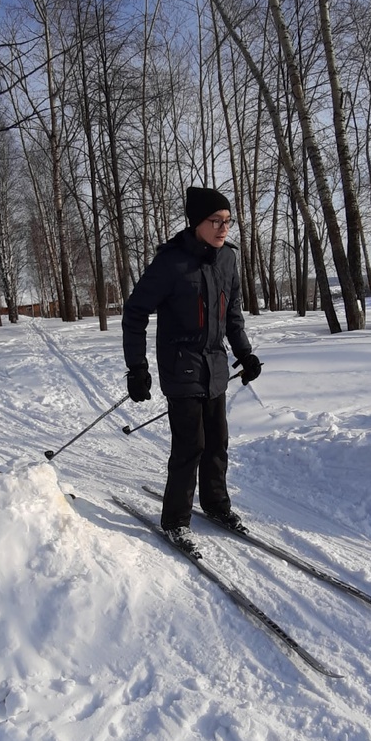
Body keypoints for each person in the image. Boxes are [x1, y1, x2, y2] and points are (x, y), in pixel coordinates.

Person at [122, 185, 262, 554]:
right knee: (191, 445)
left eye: (228, 221)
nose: (223, 228)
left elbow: (232, 314)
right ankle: (175, 520)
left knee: (217, 442)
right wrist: (137, 367)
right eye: (215, 220)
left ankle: (216, 505)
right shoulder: (170, 262)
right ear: (196, 222)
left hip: (214, 367)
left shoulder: (228, 260)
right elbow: (135, 312)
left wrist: (245, 354)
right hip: (180, 366)